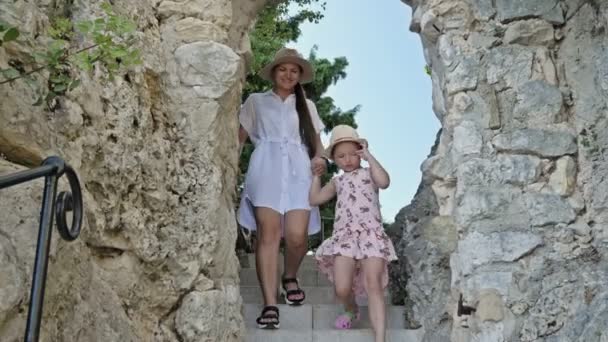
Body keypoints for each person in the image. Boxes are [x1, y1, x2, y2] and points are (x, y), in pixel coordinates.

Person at [237, 47, 327, 329]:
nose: (288, 74)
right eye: (282, 69)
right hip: (265, 168)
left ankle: (289, 276)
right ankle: (269, 304)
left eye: (294, 70)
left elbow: (318, 144)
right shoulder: (255, 101)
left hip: (300, 171)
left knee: (297, 236)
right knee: (269, 235)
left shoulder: (307, 106)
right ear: (274, 73)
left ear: (299, 75)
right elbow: (238, 140)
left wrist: (320, 160)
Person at [309, 125, 397, 342]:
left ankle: (380, 338)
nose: (347, 160)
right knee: (341, 287)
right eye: (341, 156)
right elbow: (315, 199)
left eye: (352, 154)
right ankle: (351, 309)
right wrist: (316, 177)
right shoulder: (337, 181)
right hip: (345, 237)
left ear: (360, 152)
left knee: (373, 283)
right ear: (335, 160)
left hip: (371, 235)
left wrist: (369, 157)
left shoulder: (369, 174)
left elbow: (385, 182)